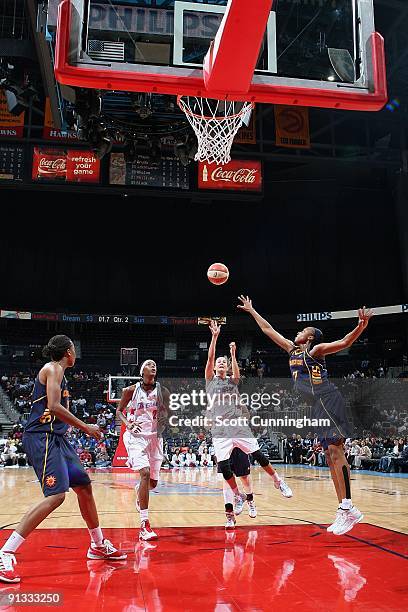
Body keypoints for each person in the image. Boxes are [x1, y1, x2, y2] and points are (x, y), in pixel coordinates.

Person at [238, 296, 373, 536]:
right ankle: (344, 509)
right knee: (330, 457)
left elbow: (343, 342)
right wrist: (251, 310)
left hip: (329, 399)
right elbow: (268, 329)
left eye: (303, 330)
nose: (298, 331)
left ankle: (348, 505)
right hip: (317, 406)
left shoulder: (317, 350)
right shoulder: (292, 350)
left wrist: (360, 327)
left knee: (336, 452)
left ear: (309, 337)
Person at [0, 335, 126, 584]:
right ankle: (6, 551)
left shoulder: (60, 372)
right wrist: (86, 427)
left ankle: (98, 544)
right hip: (41, 437)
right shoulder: (52, 368)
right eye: (74, 349)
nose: (75, 352)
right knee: (56, 495)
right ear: (69, 352)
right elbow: (55, 406)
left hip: (57, 439)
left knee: (84, 487)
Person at [205, 321, 292, 529]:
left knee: (259, 455)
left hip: (237, 425)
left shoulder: (232, 382)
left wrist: (233, 355)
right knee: (224, 468)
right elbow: (209, 357)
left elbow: (236, 375)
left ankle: (278, 481)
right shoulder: (210, 381)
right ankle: (238, 497)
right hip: (220, 429)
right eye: (219, 363)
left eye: (223, 363)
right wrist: (215, 337)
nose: (220, 364)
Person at [116, 360, 169, 541]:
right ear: (142, 371)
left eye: (155, 364)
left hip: (155, 438)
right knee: (144, 473)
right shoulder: (130, 391)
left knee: (152, 483)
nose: (153, 366)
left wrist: (165, 419)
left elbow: (168, 413)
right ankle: (144, 525)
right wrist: (128, 423)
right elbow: (119, 411)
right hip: (136, 438)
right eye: (149, 364)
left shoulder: (163, 391)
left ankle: (140, 491)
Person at [220, 447, 257, 529]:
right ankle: (229, 515)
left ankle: (250, 500)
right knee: (227, 480)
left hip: (239, 445)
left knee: (244, 477)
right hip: (224, 446)